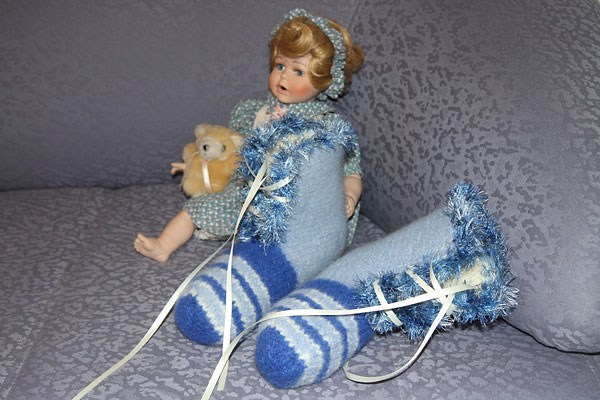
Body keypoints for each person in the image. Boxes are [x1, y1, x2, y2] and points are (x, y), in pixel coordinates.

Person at [134, 9, 364, 262]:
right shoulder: (254, 113)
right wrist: (198, 165)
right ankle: (163, 245)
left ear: (325, 81)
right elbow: (230, 150)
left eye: (298, 71)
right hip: (243, 196)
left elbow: (351, 173)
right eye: (280, 65)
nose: (284, 75)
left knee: (288, 240)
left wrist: (349, 195)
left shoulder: (327, 127)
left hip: (295, 206)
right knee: (196, 211)